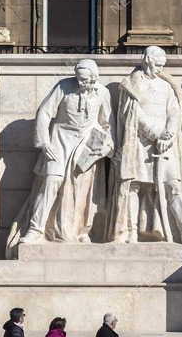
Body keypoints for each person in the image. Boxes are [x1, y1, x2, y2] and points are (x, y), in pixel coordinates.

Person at [7, 59, 113, 252]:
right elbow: (45, 112)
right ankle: (35, 229)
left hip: (85, 143)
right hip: (60, 138)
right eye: (79, 79)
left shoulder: (103, 93)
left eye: (85, 80)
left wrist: (105, 145)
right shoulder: (63, 86)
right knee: (52, 181)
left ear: (94, 78)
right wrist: (44, 141)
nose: (81, 83)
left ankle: (81, 231)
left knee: (82, 188)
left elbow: (107, 123)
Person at [109, 46, 182, 246]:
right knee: (133, 186)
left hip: (166, 145)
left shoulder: (167, 87)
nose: (160, 69)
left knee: (173, 186)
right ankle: (131, 232)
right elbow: (131, 114)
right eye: (158, 64)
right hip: (138, 142)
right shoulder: (131, 84)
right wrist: (156, 134)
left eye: (162, 65)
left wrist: (169, 135)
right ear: (148, 60)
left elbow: (174, 113)